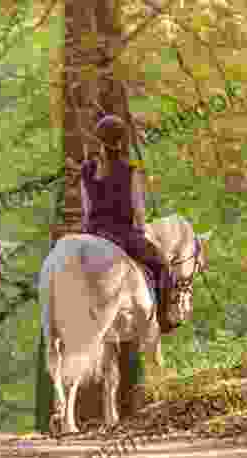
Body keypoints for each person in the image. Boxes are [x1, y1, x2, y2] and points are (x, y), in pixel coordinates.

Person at [79, 114, 177, 333]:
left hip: (93, 233)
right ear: (121, 141)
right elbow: (139, 212)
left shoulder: (85, 170)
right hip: (121, 234)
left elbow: (86, 211)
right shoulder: (129, 171)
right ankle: (163, 319)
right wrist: (141, 231)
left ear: (97, 139)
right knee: (162, 265)